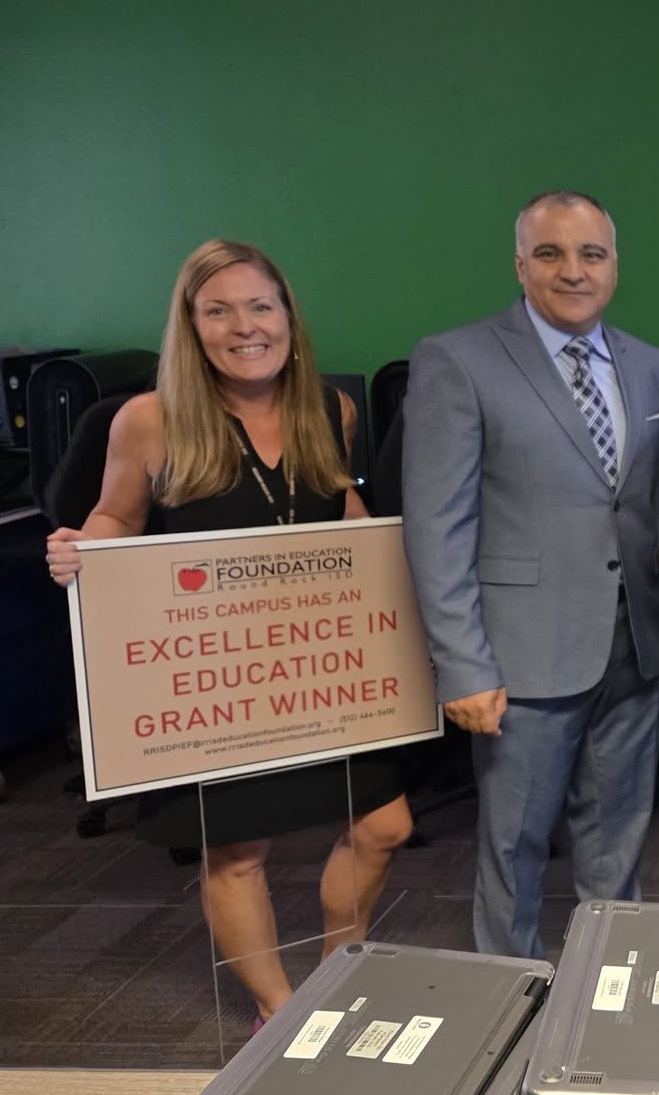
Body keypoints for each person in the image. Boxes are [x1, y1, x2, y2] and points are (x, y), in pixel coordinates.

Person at [44, 239, 413, 1028]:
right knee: (239, 851)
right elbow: (116, 517)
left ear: (287, 317)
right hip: (217, 671)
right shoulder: (150, 421)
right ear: (191, 327)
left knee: (386, 825)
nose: (245, 327)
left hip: (320, 664)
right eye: (219, 311)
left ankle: (336, 975)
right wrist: (81, 551)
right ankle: (277, 1011)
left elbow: (337, 506)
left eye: (260, 306)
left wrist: (385, 554)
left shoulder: (331, 410)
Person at [400, 190, 659, 958]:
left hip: (633, 646)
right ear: (520, 265)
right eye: (550, 253)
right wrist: (462, 665)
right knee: (515, 846)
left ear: (614, 265)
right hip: (521, 657)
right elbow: (436, 525)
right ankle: (509, 993)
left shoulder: (650, 365)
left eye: (592, 253)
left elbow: (646, 504)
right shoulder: (458, 360)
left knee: (619, 837)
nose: (573, 271)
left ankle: (608, 978)